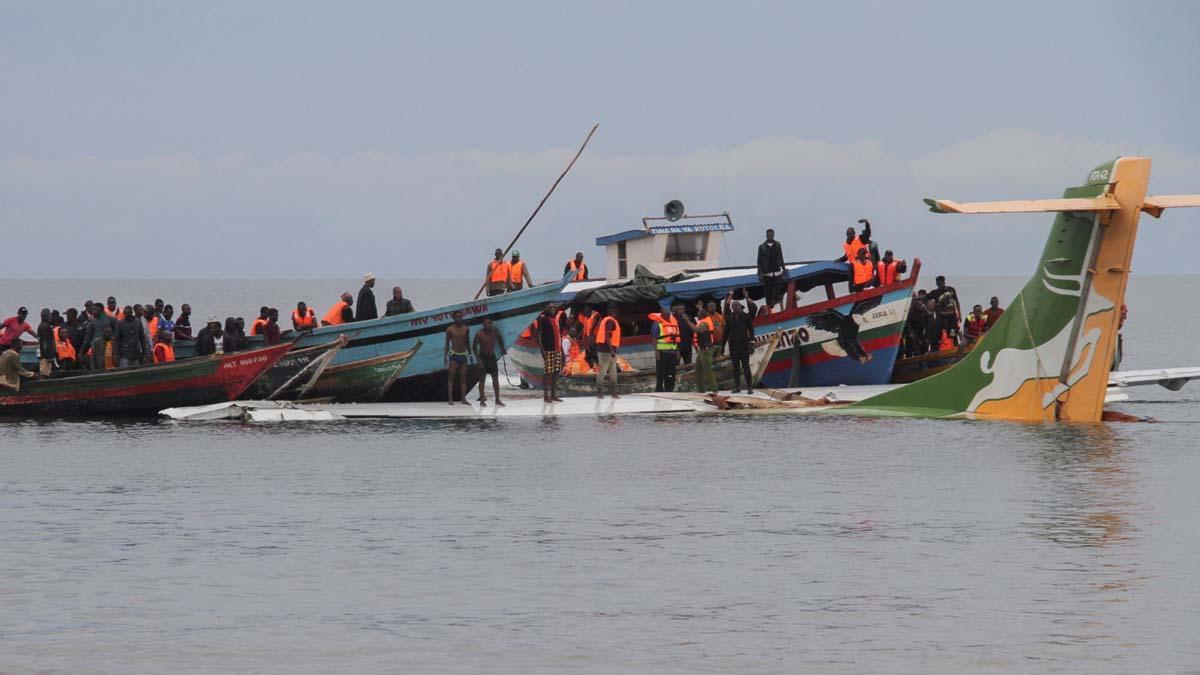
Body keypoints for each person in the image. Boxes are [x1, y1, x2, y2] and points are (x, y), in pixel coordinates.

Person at [472, 318, 507, 407]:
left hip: (492, 358)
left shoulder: (495, 330)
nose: (489, 325)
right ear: (483, 325)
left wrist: (502, 348)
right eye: (487, 323)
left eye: (490, 323)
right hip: (483, 358)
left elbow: (499, 339)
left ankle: (498, 400)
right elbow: (474, 348)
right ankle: (482, 400)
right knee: (482, 379)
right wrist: (478, 360)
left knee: (495, 379)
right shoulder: (479, 334)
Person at [723, 299, 755, 393]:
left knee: (746, 367)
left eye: (737, 305)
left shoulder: (746, 317)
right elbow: (725, 333)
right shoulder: (729, 318)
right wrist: (722, 347)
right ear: (732, 308)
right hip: (733, 347)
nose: (736, 307)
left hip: (744, 346)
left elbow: (751, 330)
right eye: (734, 306)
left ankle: (750, 387)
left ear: (741, 307)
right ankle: (737, 387)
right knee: (735, 368)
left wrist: (752, 343)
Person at [532, 306, 563, 403]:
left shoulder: (555, 320)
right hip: (548, 349)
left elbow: (558, 335)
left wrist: (561, 350)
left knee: (556, 372)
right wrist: (542, 350)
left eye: (554, 308)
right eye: (550, 308)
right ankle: (546, 396)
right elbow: (539, 335)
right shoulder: (543, 319)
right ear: (546, 310)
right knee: (548, 373)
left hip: (557, 349)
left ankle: (553, 395)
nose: (553, 310)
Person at [444, 310, 472, 405]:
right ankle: (450, 399)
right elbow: (447, 344)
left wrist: (471, 354)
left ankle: (463, 399)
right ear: (454, 318)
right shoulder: (450, 329)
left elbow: (467, 342)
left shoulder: (466, 328)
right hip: (454, 355)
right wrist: (445, 356)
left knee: (463, 378)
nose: (460, 318)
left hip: (463, 355)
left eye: (461, 316)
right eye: (458, 317)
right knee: (451, 377)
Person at [593, 305, 622, 398]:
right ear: (613, 312)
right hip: (606, 351)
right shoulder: (610, 321)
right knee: (603, 371)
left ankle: (613, 392)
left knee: (612, 371)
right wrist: (612, 350)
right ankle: (600, 392)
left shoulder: (607, 320)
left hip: (608, 350)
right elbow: (607, 336)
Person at [649, 308, 680, 392]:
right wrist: (656, 351)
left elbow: (675, 339)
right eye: (666, 313)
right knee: (661, 373)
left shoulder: (673, 323)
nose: (668, 315)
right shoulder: (657, 324)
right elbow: (654, 338)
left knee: (671, 373)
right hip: (662, 353)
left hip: (672, 352)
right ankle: (659, 390)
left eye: (669, 313)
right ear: (662, 314)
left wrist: (677, 351)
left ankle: (669, 390)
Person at [756, 228, 785, 309]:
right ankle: (770, 307)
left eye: (771, 235)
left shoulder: (778, 244)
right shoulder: (761, 247)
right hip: (767, 273)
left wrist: (784, 268)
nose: (770, 236)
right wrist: (760, 274)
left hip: (777, 272)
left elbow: (781, 257)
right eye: (768, 235)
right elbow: (759, 261)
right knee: (768, 292)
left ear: (774, 235)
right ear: (766, 236)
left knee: (778, 290)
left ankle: (779, 305)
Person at [693, 307, 719, 393]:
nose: (697, 314)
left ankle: (714, 390)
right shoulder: (704, 320)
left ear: (701, 315)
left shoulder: (704, 323)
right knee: (698, 370)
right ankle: (701, 390)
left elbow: (697, 330)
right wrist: (700, 307)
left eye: (698, 313)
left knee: (708, 370)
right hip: (701, 349)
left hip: (706, 349)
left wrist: (687, 320)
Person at [36, 309, 55, 377]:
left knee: (46, 372)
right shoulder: (45, 326)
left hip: (43, 354)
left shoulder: (43, 325)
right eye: (49, 315)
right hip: (45, 355)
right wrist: (49, 355)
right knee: (44, 373)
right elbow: (45, 341)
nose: (51, 317)